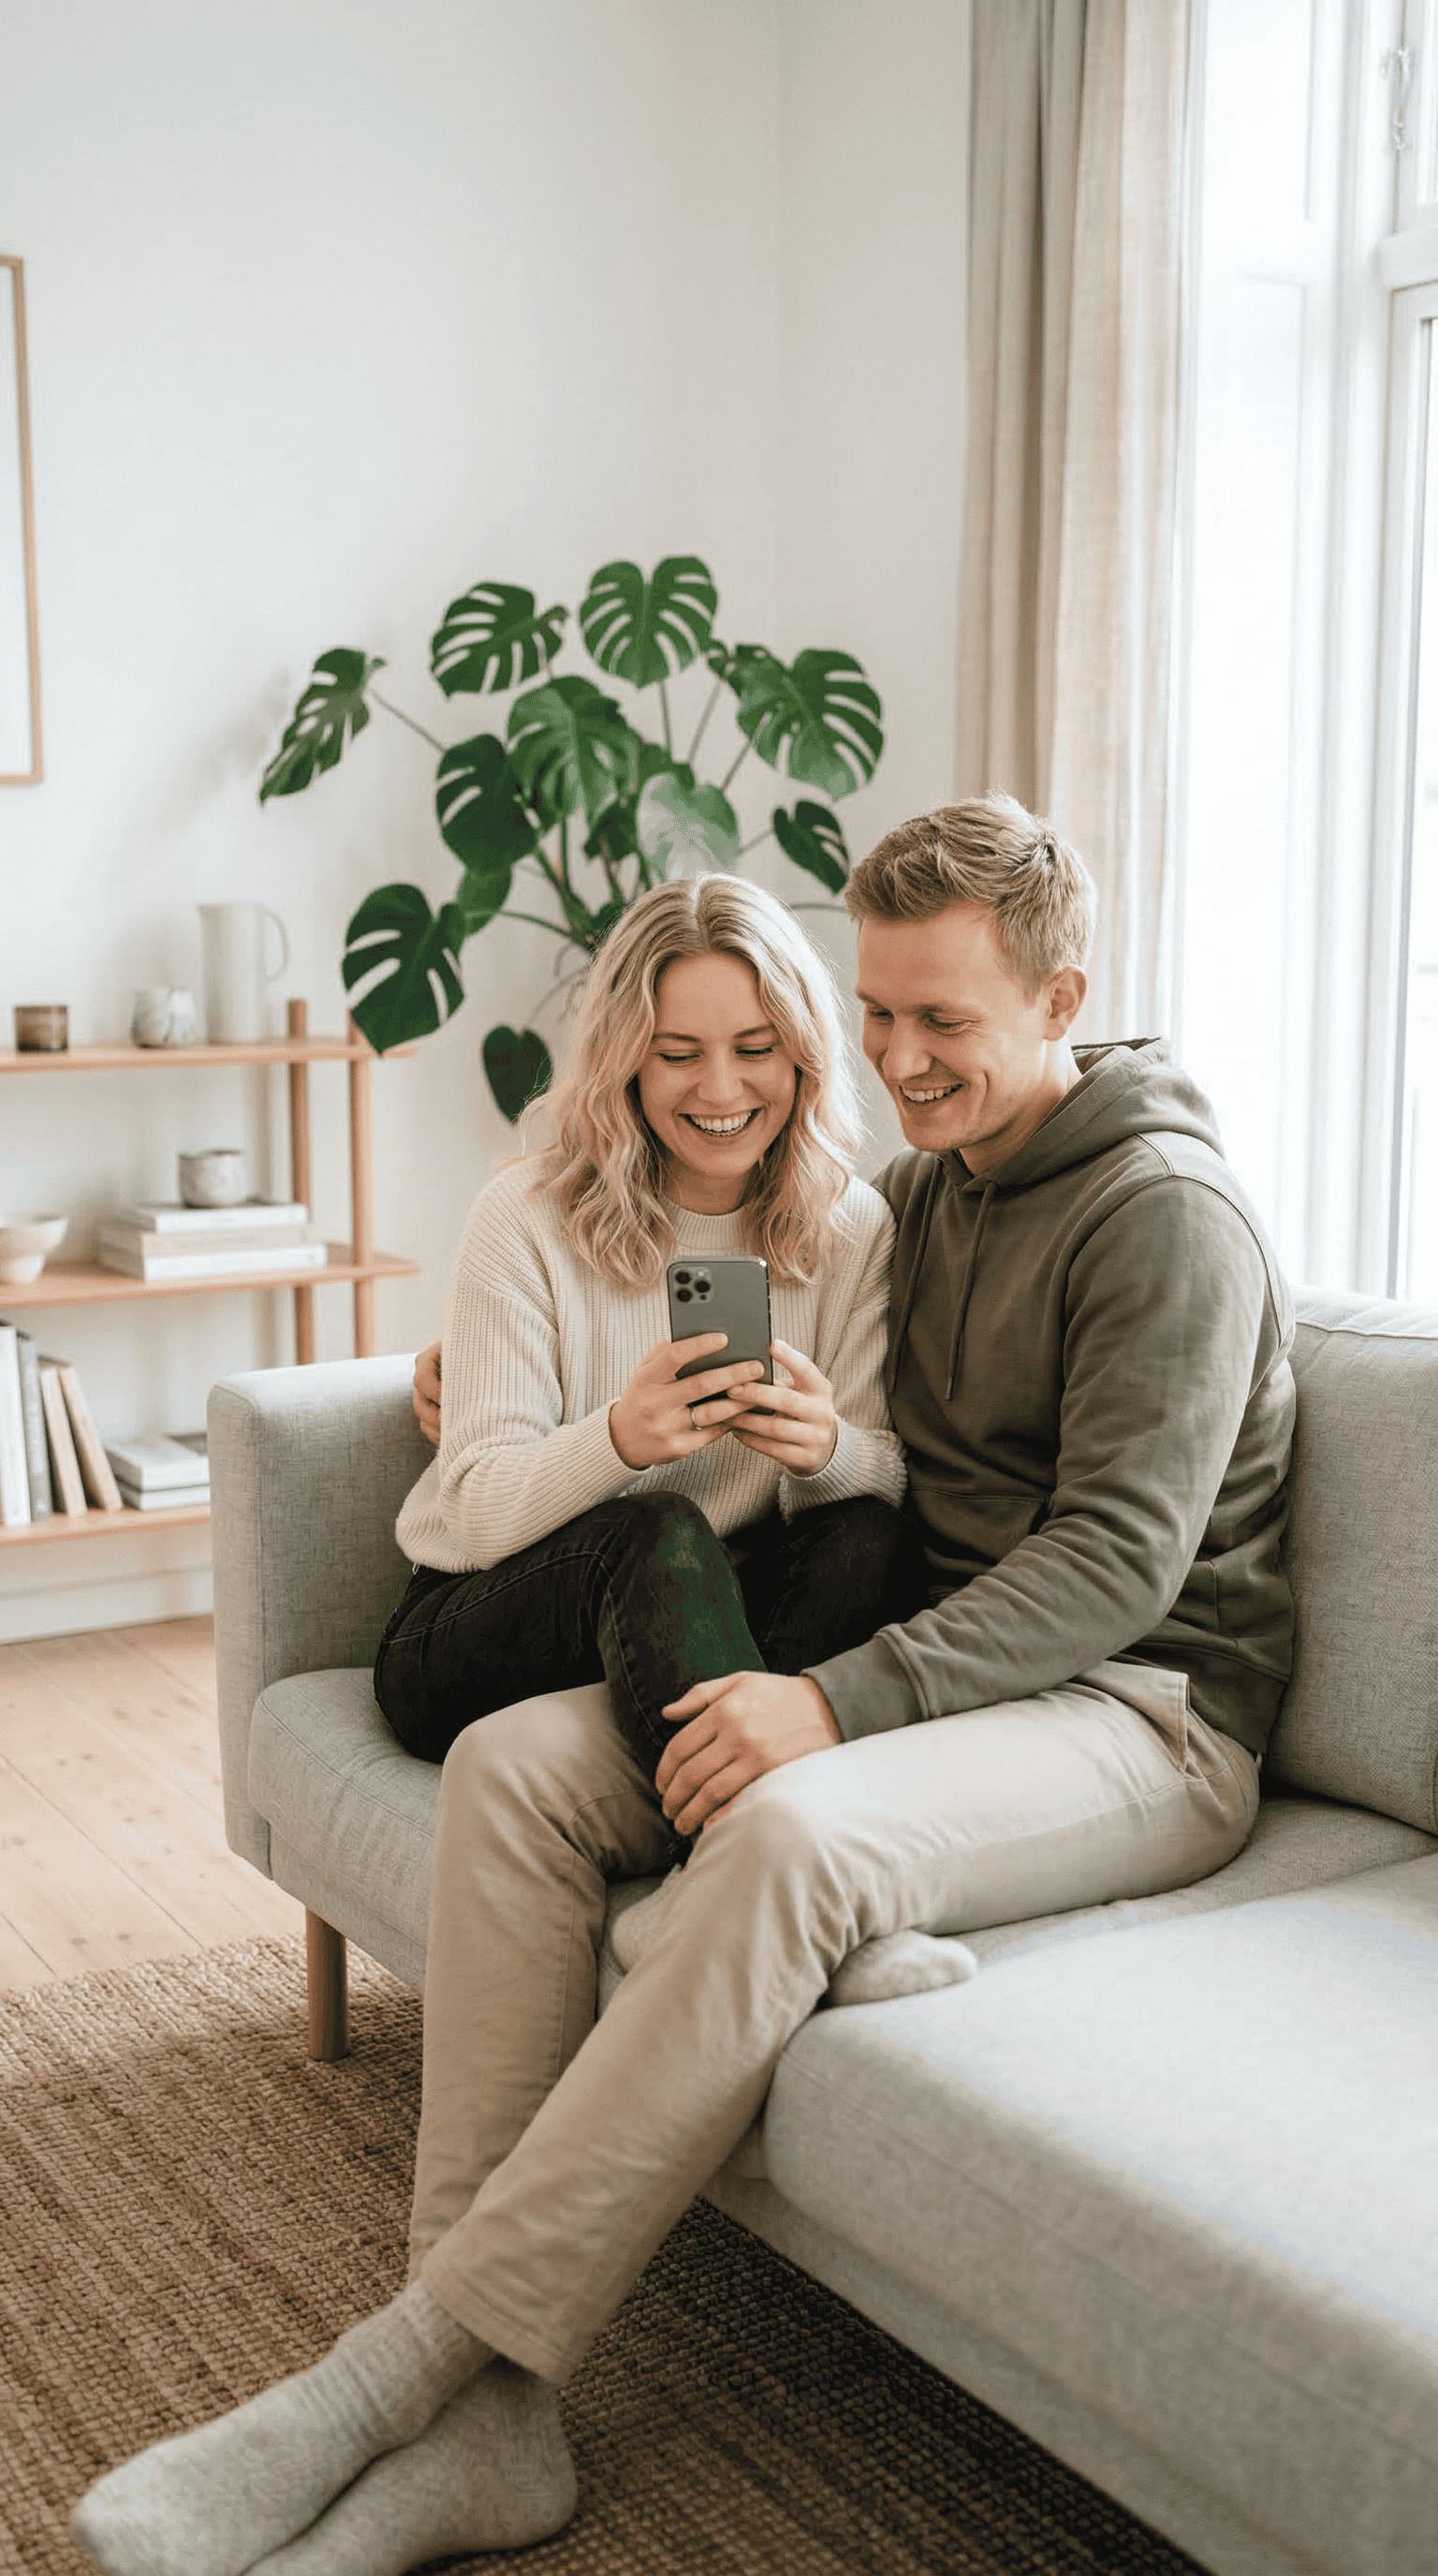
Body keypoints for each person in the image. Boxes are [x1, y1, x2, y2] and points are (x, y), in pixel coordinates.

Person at [72, 796, 1295, 2576]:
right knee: (506, 1762)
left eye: (941, 1022)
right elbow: (837, 1414)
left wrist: (841, 1703)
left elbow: (1115, 1566)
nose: (897, 1059)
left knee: (787, 1840)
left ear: (1064, 999)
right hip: (962, 1679)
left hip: (1143, 1712)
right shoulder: (934, 1190)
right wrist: (510, 1394)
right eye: (877, 1016)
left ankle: (392, 2378)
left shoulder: (1162, 1217)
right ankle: (493, 2432)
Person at [370, 871, 919, 1783]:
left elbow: (869, 1499)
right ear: (626, 1055)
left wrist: (828, 1450)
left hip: (714, 1624)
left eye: (756, 1047)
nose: (720, 1087)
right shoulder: (526, 1215)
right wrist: (620, 1439)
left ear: (803, 1056)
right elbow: (467, 1515)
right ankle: (760, 1835)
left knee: (868, 1531)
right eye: (676, 1053)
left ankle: (750, 1817)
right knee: (656, 1525)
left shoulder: (852, 1225)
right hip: (479, 1619)